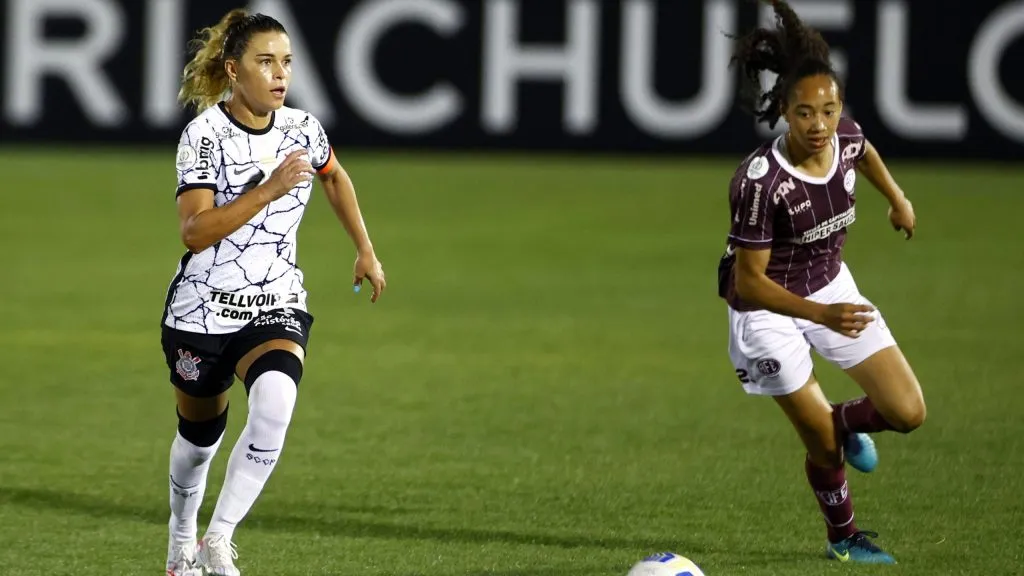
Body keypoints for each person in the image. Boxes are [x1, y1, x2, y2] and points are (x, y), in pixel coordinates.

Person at [161, 9, 386, 575]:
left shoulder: (303, 129)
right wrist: (271, 188)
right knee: (198, 442)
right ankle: (180, 535)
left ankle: (219, 539)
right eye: (265, 62)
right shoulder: (205, 135)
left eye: (286, 61)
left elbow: (333, 175)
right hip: (203, 312)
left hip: (275, 301)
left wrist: (365, 247)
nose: (280, 74)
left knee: (276, 404)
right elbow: (197, 230)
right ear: (234, 71)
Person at [717, 0, 926, 564]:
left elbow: (865, 152)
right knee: (825, 446)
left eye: (830, 111)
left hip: (830, 285)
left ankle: (840, 418)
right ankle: (843, 537)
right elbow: (751, 284)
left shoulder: (844, 138)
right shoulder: (761, 184)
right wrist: (822, 318)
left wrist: (898, 201)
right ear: (783, 110)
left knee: (908, 412)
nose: (820, 125)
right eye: (806, 113)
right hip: (767, 313)